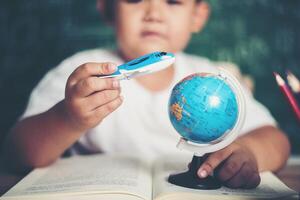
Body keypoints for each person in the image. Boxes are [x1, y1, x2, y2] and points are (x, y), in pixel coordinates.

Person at [1, 0, 290, 189]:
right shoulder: (81, 75)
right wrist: (67, 117)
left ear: (198, 16)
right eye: (135, 0)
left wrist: (250, 152)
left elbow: (276, 140)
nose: (153, 13)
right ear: (107, 10)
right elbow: (17, 155)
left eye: (173, 2)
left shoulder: (213, 81)